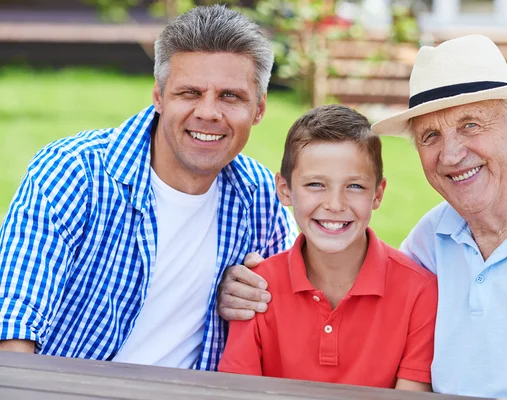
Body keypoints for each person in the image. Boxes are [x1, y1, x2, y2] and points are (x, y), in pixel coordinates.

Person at [218, 35, 507, 399]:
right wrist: (246, 286)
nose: (450, 155)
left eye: (470, 124)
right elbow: (342, 271)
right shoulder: (432, 239)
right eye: (430, 136)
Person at [0, 5, 296, 371]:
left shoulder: (262, 199)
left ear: (259, 109)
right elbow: (13, 323)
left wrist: (251, 299)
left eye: (230, 96)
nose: (208, 112)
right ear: (158, 97)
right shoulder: (74, 172)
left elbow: (305, 316)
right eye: (189, 93)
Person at [217, 104, 437, 391]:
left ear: (377, 194)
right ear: (284, 189)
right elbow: (238, 393)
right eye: (316, 184)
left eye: (355, 186)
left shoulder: (419, 291)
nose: (335, 204)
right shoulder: (256, 289)